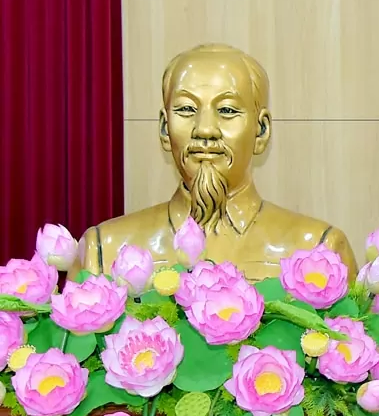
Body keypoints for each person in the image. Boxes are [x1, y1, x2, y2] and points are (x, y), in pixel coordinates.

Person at [76, 43, 357, 281]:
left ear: (261, 131)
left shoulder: (319, 252)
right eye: (187, 109)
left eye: (227, 110)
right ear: (164, 128)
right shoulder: (103, 251)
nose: (205, 129)